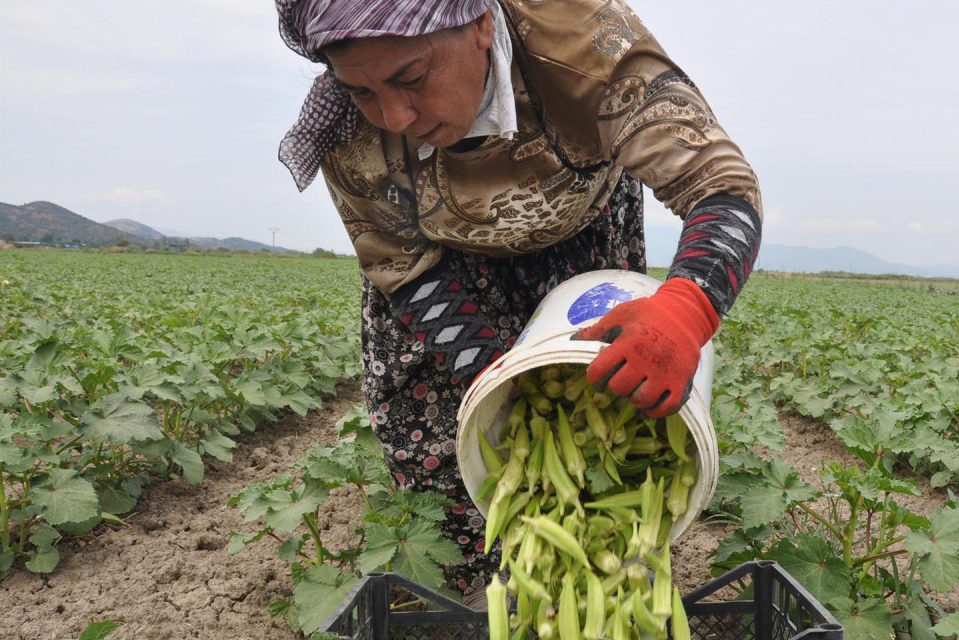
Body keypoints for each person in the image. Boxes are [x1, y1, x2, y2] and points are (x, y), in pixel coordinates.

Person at [275, 0, 762, 606]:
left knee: (606, 422)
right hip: (443, 266)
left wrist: (687, 309)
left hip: (576, 237)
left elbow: (722, 187)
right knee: (452, 453)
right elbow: (405, 270)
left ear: (482, 25)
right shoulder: (348, 133)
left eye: (411, 78)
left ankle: (595, 586)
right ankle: (490, 596)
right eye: (363, 91)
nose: (394, 115)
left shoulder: (583, 43)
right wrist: (499, 378)